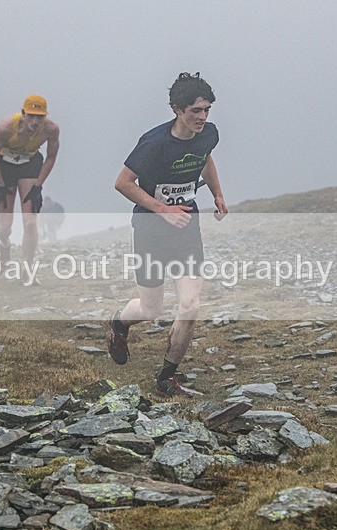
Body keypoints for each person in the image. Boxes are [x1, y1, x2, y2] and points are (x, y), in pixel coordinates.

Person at [107, 72, 229, 397]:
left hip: (187, 228)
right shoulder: (154, 143)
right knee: (151, 310)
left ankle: (166, 379)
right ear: (176, 108)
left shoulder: (208, 134)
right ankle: (120, 323)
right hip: (150, 230)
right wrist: (163, 209)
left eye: (207, 110)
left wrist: (217, 194)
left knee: (190, 305)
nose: (202, 117)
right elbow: (123, 183)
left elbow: (205, 159)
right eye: (196, 111)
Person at [0, 95, 60, 284]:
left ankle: (27, 270)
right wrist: (0, 185)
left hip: (30, 164)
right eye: (31, 116)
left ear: (45, 117)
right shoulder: (6, 127)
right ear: (23, 114)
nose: (35, 122)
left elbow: (51, 156)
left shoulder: (51, 129)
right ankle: (5, 244)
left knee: (30, 223)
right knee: (4, 226)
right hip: (4, 166)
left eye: (40, 117)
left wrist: (38, 185)